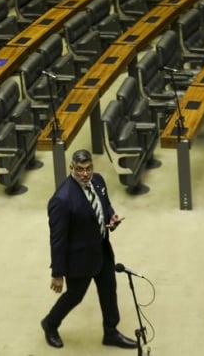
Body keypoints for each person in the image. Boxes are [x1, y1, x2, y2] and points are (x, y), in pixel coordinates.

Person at [40, 149, 136, 349]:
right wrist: (57, 273)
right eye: (80, 169)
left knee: (109, 291)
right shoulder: (62, 199)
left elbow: (104, 205)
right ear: (71, 168)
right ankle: (50, 323)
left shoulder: (98, 181)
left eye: (89, 168)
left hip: (102, 249)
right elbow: (57, 239)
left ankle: (111, 332)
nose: (85, 173)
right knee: (75, 296)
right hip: (79, 258)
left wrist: (111, 217)